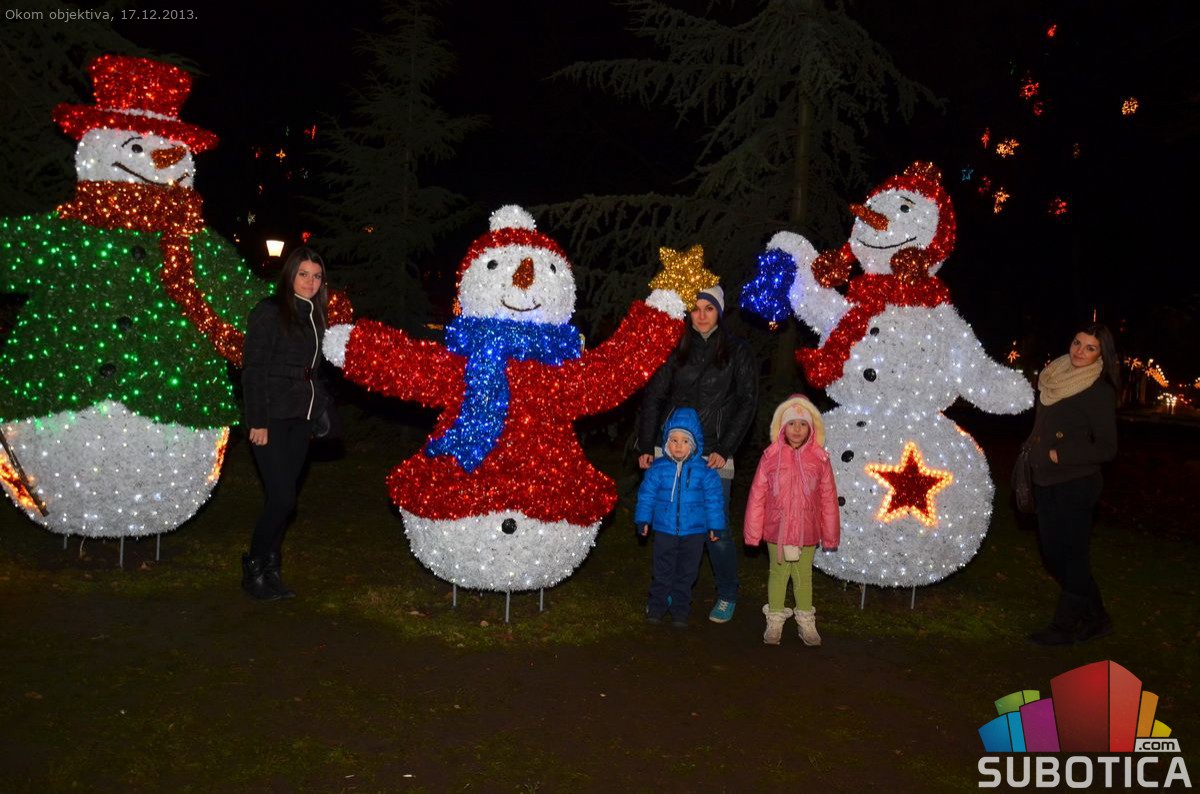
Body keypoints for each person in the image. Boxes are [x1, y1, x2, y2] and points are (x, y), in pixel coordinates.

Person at [637, 285, 757, 623]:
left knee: (716, 529)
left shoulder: (737, 350)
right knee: (669, 526)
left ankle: (727, 592)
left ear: (720, 311)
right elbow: (655, 396)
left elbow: (747, 401)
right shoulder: (675, 346)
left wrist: (725, 448)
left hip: (713, 453)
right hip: (671, 448)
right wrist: (646, 445)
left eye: (709, 308)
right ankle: (669, 590)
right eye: (695, 308)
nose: (701, 315)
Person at [240, 247, 333, 601]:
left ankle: (271, 568)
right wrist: (257, 420)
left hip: (301, 419)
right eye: (303, 274)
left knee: (284, 499)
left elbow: (315, 372)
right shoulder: (270, 311)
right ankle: (253, 567)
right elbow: (254, 369)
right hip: (272, 418)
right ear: (290, 275)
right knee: (282, 499)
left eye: (316, 276)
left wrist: (317, 409)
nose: (310, 282)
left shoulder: (317, 316)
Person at [1026, 323, 1119, 645]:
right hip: (1045, 480)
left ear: (1101, 355)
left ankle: (1064, 627)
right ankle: (1097, 617)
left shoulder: (1098, 391)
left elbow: (1107, 447)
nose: (1080, 351)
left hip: (1076, 483)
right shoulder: (1054, 376)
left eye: (1090, 348)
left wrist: (1059, 454)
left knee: (1074, 555)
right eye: (1077, 342)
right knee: (1054, 555)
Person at [743, 395, 840, 645]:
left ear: (811, 428)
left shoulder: (820, 459)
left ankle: (806, 622)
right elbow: (757, 495)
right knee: (778, 574)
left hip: (807, 531)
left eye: (803, 424)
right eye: (792, 424)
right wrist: (753, 532)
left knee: (803, 576)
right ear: (782, 427)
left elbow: (828, 498)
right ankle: (775, 620)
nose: (797, 429)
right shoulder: (770, 457)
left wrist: (830, 535)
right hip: (777, 529)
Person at [635, 408, 726, 628]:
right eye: (674, 440)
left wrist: (715, 526)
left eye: (685, 441)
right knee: (662, 571)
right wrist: (643, 520)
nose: (678, 445)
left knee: (687, 573)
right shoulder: (658, 469)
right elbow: (646, 495)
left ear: (694, 444)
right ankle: (656, 608)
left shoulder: (705, 471)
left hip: (694, 533)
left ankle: (680, 611)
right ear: (667, 442)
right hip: (664, 530)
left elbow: (714, 500)